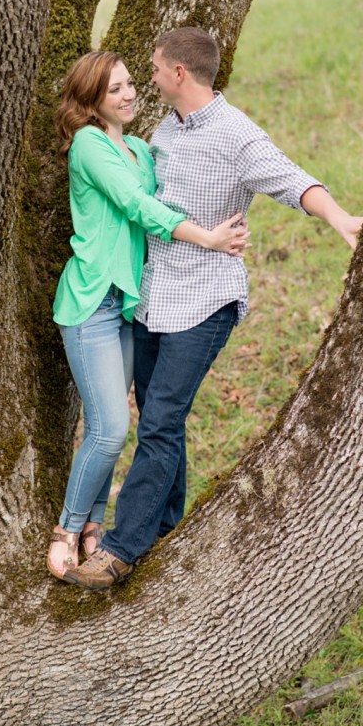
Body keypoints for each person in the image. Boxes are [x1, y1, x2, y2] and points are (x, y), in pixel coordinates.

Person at [64, 27, 363, 591]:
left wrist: (338, 216)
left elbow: (291, 179)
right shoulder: (162, 131)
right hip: (156, 299)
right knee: (161, 418)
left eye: (154, 68)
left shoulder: (236, 135)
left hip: (205, 300)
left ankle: (120, 551)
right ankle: (165, 526)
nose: (148, 78)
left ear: (179, 73)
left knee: (158, 422)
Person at [47, 50, 249, 581]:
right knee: (111, 430)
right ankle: (68, 529)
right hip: (91, 302)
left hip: (130, 306)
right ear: (91, 100)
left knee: (118, 423)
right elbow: (141, 208)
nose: (129, 94)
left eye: (131, 83)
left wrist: (231, 216)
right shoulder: (90, 146)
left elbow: (181, 187)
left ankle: (94, 527)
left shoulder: (139, 147)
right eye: (114, 89)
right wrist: (207, 237)